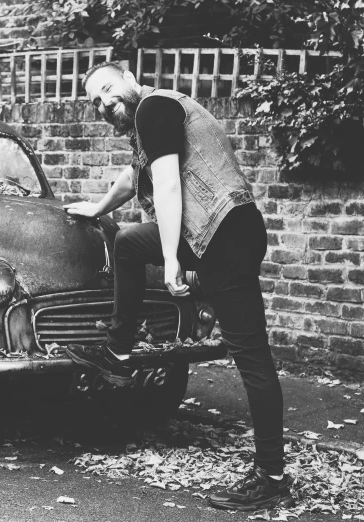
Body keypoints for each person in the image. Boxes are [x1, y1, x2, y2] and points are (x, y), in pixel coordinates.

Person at [63, 61, 293, 511]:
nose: (104, 104)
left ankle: (270, 475)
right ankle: (120, 349)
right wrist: (98, 207)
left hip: (225, 234)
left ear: (129, 77)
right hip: (214, 234)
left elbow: (167, 186)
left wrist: (171, 259)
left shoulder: (155, 107)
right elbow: (137, 177)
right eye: (95, 102)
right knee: (129, 242)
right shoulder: (150, 122)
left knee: (252, 358)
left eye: (108, 90)